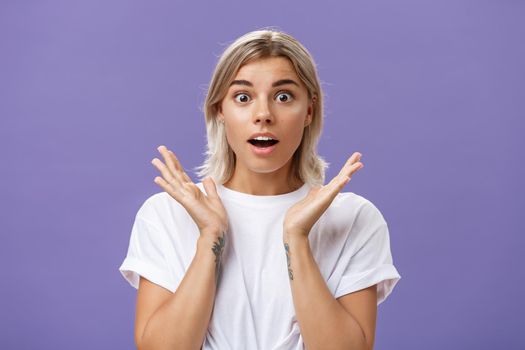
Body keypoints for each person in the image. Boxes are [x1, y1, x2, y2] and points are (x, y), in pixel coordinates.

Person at [119, 28, 401, 350]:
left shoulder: (354, 218)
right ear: (219, 111)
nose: (263, 115)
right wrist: (210, 237)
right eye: (243, 97)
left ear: (309, 111)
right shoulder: (166, 214)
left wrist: (296, 238)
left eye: (283, 97)